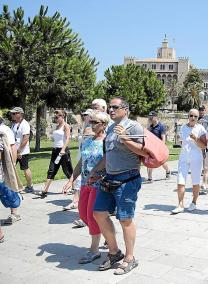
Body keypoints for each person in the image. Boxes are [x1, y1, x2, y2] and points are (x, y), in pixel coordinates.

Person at [89, 97, 147, 275]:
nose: (111, 110)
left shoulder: (134, 126)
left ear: (126, 109)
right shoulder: (111, 128)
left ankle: (130, 258)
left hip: (127, 179)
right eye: (110, 107)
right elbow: (109, 155)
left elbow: (143, 152)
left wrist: (126, 138)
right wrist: (95, 171)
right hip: (109, 177)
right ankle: (114, 252)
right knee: (98, 213)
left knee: (125, 219)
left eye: (115, 107)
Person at [62, 111, 109, 264]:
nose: (91, 124)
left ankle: (94, 250)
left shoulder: (107, 142)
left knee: (91, 215)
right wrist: (71, 179)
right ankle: (106, 232)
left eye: (95, 122)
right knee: (82, 215)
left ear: (103, 124)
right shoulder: (87, 141)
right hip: (84, 184)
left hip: (98, 184)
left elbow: (109, 163)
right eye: (91, 122)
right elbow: (81, 162)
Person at [171, 109, 207, 214]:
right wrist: (179, 138)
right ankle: (180, 204)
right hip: (184, 157)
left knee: (195, 181)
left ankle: (194, 202)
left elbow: (204, 146)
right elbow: (181, 141)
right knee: (180, 181)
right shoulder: (183, 127)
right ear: (188, 116)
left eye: (196, 116)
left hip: (196, 158)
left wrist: (196, 139)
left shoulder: (201, 129)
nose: (193, 118)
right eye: (191, 115)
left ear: (198, 118)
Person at [36, 110, 73, 198]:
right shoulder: (57, 126)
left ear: (62, 116)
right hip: (55, 151)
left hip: (63, 151)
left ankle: (75, 188)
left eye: (57, 117)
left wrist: (63, 149)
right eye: (55, 117)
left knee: (67, 170)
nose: (55, 119)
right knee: (51, 170)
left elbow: (68, 139)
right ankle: (44, 191)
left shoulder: (66, 126)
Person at [0, 117, 21, 226]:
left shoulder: (4, 130)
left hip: (4, 167)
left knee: (7, 190)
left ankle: (14, 213)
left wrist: (12, 165)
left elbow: (12, 147)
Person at [10, 107, 33, 193]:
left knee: (25, 168)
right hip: (14, 151)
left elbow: (26, 138)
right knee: (11, 168)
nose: (12, 115)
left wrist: (19, 151)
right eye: (12, 113)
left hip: (22, 151)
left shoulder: (25, 124)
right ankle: (14, 186)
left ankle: (30, 186)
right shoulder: (13, 124)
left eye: (14, 113)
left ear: (20, 114)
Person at [146, 111, 171, 183]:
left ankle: (168, 171)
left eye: (151, 117)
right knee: (149, 161)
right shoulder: (150, 127)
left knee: (161, 162)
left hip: (159, 147)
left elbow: (163, 138)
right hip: (151, 147)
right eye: (149, 117)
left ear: (156, 117)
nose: (150, 119)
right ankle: (150, 178)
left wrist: (161, 147)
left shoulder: (161, 127)